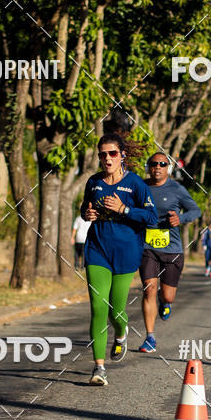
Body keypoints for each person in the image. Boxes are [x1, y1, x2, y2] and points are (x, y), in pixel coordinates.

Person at [81, 134, 157, 386]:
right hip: (97, 250)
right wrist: (87, 213)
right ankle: (99, 367)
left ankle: (122, 331)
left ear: (122, 154)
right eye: (102, 154)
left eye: (112, 153)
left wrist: (124, 209)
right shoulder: (94, 181)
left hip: (126, 252)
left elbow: (151, 217)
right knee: (98, 306)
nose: (107, 159)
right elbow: (84, 208)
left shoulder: (135, 184)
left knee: (116, 310)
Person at [138, 152, 201, 352]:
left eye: (162, 164)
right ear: (148, 167)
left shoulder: (176, 189)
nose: (157, 167)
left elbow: (195, 211)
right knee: (148, 288)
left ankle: (165, 302)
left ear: (168, 168)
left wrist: (179, 219)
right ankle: (150, 337)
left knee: (168, 295)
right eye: (153, 164)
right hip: (147, 247)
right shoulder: (140, 187)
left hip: (172, 250)